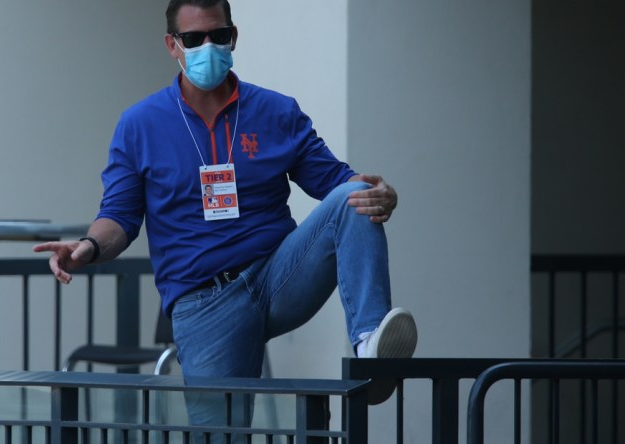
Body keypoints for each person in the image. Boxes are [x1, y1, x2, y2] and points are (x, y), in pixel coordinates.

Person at [34, 0, 417, 439]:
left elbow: (335, 181)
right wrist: (88, 247)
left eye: (218, 35)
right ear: (172, 45)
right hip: (204, 301)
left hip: (277, 274)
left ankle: (371, 348)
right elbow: (119, 217)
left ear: (233, 36)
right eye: (194, 39)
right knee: (221, 436)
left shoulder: (276, 111)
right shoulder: (139, 124)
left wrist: (380, 194)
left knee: (354, 198)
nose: (208, 46)